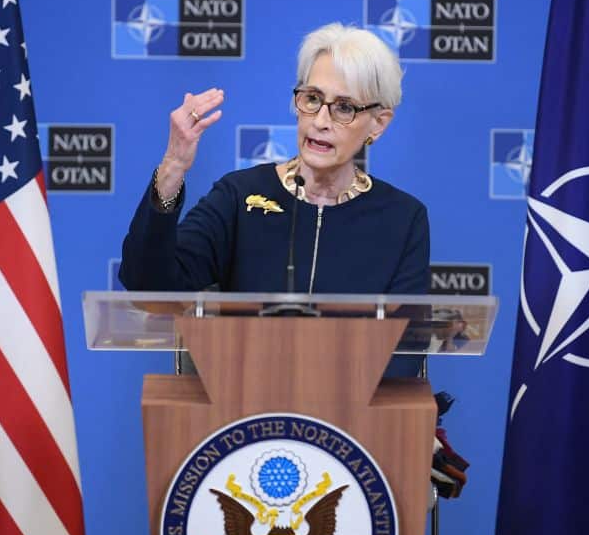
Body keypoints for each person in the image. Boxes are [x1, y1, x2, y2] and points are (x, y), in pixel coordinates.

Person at [119, 23, 430, 372]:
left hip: (351, 421)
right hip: (243, 416)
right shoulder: (240, 197)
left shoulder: (402, 218)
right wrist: (173, 166)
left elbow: (404, 354)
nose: (321, 121)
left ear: (378, 124)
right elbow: (148, 286)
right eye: (312, 99)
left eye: (344, 108)